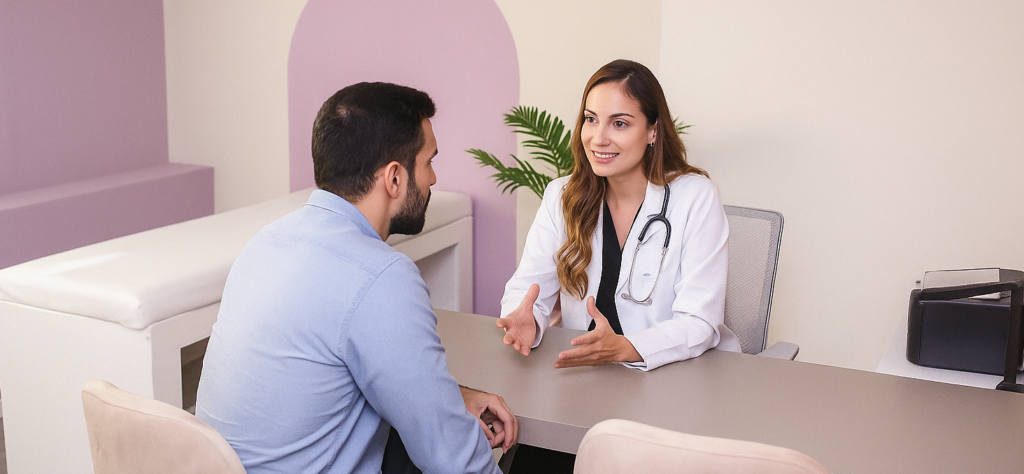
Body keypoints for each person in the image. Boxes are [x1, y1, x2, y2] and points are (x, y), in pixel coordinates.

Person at [196, 82, 517, 474]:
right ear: (394, 178)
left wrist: (449, 398)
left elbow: (326, 375)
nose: (433, 179)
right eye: (429, 161)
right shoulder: (381, 276)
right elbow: (452, 459)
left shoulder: (267, 242)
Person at [497, 58, 742, 472]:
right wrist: (526, 318)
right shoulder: (563, 197)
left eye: (620, 123)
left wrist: (626, 347)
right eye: (591, 119)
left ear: (653, 131)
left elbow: (700, 320)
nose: (598, 137)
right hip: (584, 388)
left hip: (672, 389)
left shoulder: (694, 198)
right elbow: (528, 290)